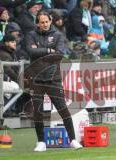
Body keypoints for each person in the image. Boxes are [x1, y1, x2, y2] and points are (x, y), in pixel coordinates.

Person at [25, 10, 82, 152]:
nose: (44, 24)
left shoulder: (58, 35)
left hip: (53, 79)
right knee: (37, 112)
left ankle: (73, 140)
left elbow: (60, 54)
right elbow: (31, 52)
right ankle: (41, 142)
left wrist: (42, 50)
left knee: (63, 109)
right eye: (41, 22)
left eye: (46, 21)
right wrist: (49, 50)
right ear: (37, 23)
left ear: (50, 21)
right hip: (36, 79)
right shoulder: (31, 35)